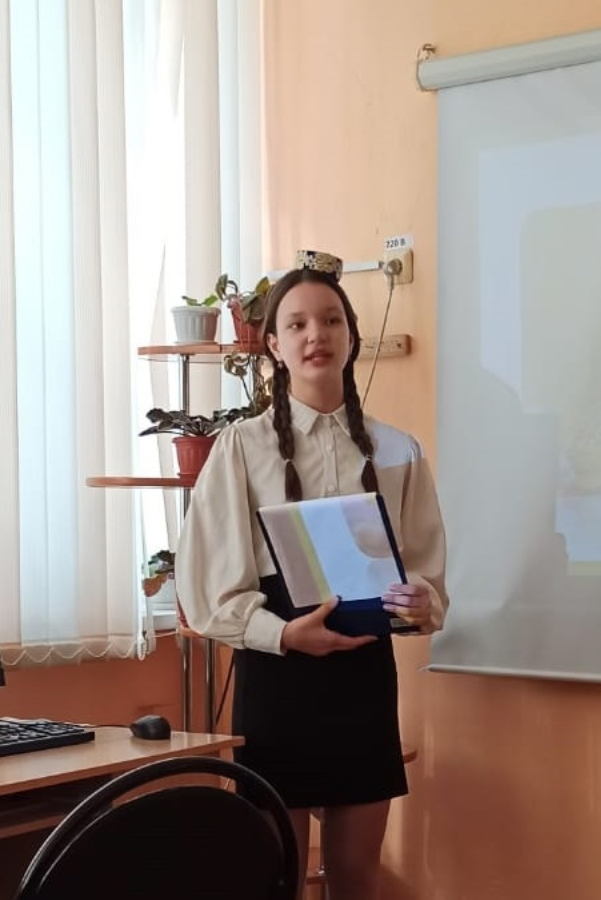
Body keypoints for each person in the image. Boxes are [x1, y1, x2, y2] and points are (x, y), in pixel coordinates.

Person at [177, 249, 449, 900]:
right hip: (280, 673)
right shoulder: (241, 447)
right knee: (280, 876)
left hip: (363, 675)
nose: (315, 335)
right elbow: (210, 587)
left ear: (351, 337)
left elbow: (426, 575)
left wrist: (420, 603)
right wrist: (282, 634)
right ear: (273, 345)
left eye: (330, 320)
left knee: (357, 876)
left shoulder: (398, 450)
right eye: (296, 324)